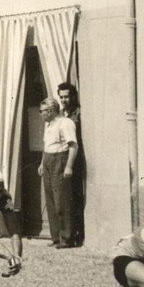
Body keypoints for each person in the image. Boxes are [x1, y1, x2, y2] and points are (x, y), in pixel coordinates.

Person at [39, 96, 78, 247]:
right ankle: (56, 237)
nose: (40, 114)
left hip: (60, 160)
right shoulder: (48, 125)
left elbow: (73, 146)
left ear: (49, 111)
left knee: (61, 200)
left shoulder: (65, 123)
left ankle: (66, 238)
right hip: (48, 160)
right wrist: (42, 163)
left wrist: (69, 166)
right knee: (50, 201)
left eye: (42, 111)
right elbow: (46, 146)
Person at [57, 80, 84, 246]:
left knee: (75, 198)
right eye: (61, 97)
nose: (64, 100)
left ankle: (77, 235)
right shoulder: (60, 114)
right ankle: (66, 235)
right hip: (62, 159)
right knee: (65, 199)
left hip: (75, 160)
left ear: (73, 97)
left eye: (66, 97)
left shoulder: (78, 114)